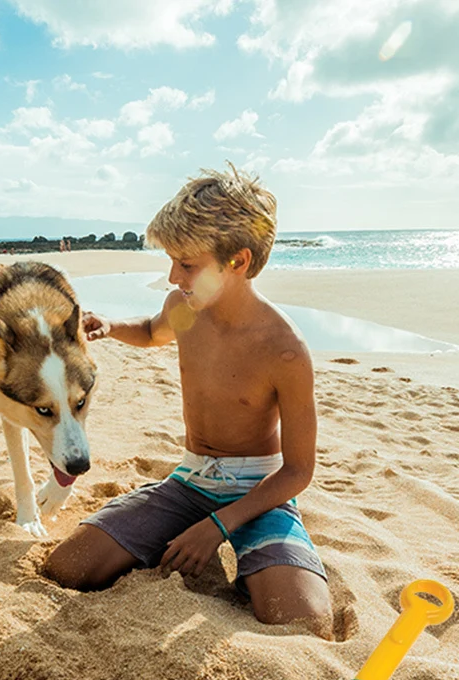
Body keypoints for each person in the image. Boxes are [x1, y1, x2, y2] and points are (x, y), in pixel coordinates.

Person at [44, 165, 333, 637]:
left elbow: (298, 471)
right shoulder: (184, 308)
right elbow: (152, 331)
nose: (173, 276)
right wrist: (111, 326)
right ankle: (167, 530)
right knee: (68, 567)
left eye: (187, 264)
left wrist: (218, 526)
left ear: (237, 261)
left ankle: (253, 556)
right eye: (172, 261)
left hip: (257, 493)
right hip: (191, 480)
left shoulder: (283, 349)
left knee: (303, 619)